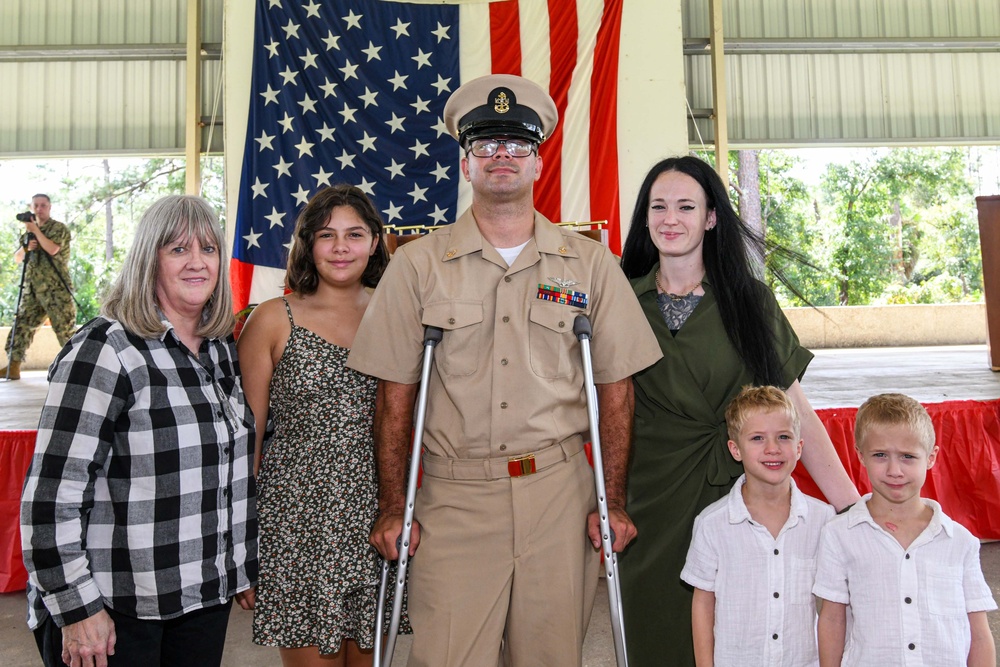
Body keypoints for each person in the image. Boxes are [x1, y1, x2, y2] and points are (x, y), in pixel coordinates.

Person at [346, 74, 662, 666]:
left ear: (538, 162)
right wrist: (394, 507)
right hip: (454, 497)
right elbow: (394, 398)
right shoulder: (416, 265)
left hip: (558, 494)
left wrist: (610, 500)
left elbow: (615, 391)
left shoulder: (590, 265)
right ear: (465, 164)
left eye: (516, 146)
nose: (501, 158)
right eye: (485, 146)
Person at [617, 154, 861, 667]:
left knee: (743, 634)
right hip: (648, 503)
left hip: (736, 498)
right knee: (654, 635)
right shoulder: (619, 302)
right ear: (644, 218)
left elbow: (796, 413)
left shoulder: (750, 301)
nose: (670, 218)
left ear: (710, 218)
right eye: (658, 206)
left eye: (687, 206)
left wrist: (852, 509)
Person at [20, 195, 257, 667]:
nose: (196, 263)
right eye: (177, 249)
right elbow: (51, 496)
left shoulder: (219, 351)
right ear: (149, 258)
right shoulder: (106, 349)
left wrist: (239, 564)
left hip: (201, 600)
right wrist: (76, 608)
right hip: (116, 609)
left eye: (208, 249)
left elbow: (226, 472)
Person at [238, 184, 390, 667]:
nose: (341, 247)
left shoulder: (395, 316)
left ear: (374, 242)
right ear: (307, 244)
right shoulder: (272, 318)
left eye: (354, 234)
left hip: (373, 515)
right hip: (296, 521)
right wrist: (243, 543)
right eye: (327, 235)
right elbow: (247, 439)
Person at [814, 393, 997, 666]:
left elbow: (979, 634)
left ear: (932, 457)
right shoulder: (839, 535)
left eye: (908, 457)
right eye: (880, 455)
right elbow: (831, 619)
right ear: (860, 455)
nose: (894, 470)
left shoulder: (961, 542)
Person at [681, 385, 834, 667]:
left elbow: (830, 607)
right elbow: (703, 604)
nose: (772, 448)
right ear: (735, 449)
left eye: (784, 437)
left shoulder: (824, 521)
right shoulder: (712, 524)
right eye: (758, 438)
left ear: (799, 448)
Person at [1, 193, 76, 380]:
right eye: (36, 205)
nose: (39, 209)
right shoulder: (28, 234)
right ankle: (13, 366)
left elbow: (53, 249)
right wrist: (26, 246)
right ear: (32, 207)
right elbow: (18, 258)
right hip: (33, 290)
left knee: (65, 330)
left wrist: (35, 230)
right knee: (21, 327)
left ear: (49, 207)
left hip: (56, 290)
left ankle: (79, 368)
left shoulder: (58, 228)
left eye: (43, 205)